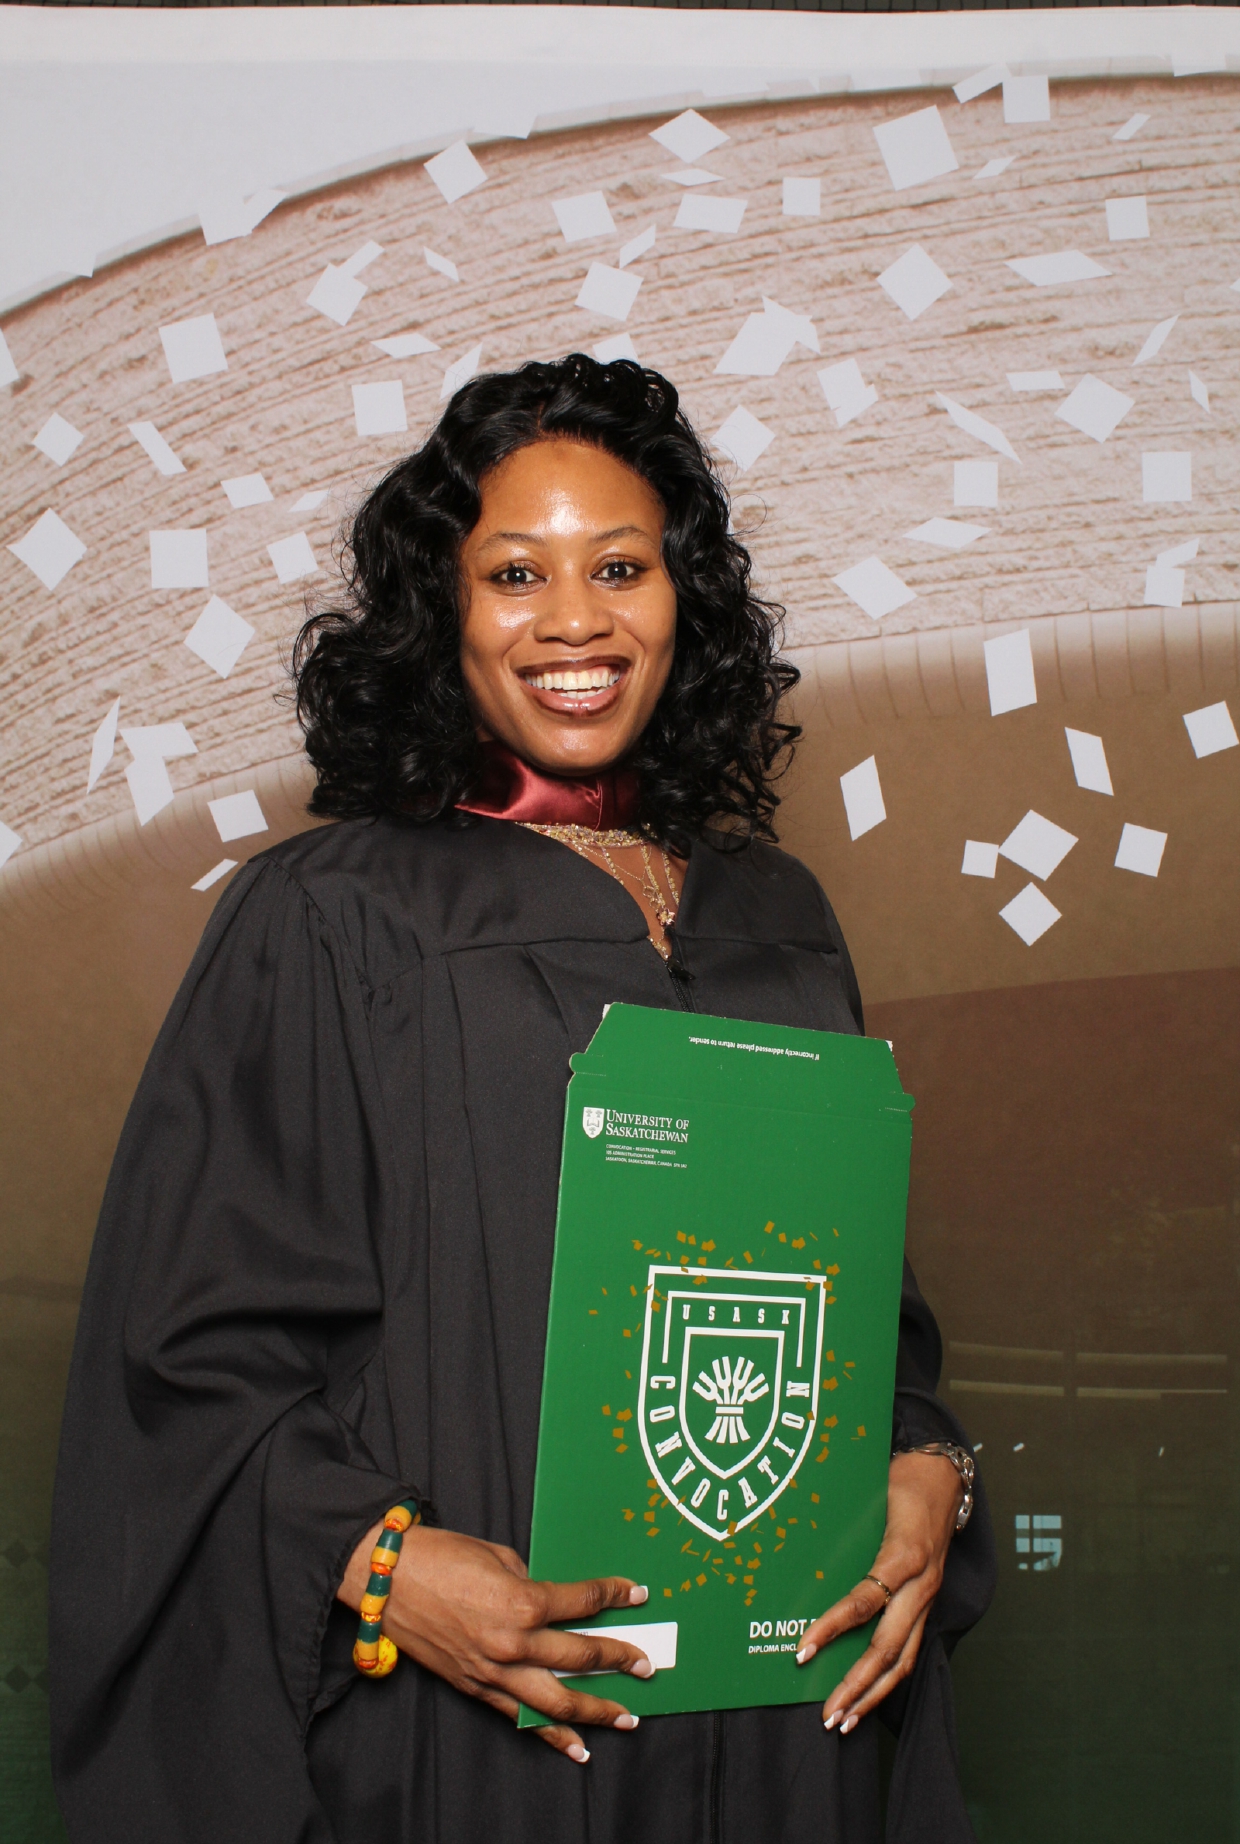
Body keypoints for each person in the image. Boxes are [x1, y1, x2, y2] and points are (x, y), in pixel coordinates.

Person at [50, 355, 993, 1843]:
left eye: (620, 567)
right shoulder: (336, 915)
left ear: (683, 598)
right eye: (514, 574)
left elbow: (858, 1303)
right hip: (488, 1724)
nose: (574, 622)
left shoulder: (781, 916)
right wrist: (381, 1565)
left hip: (781, 1708)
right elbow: (184, 1352)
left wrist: (930, 1466)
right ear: (442, 610)